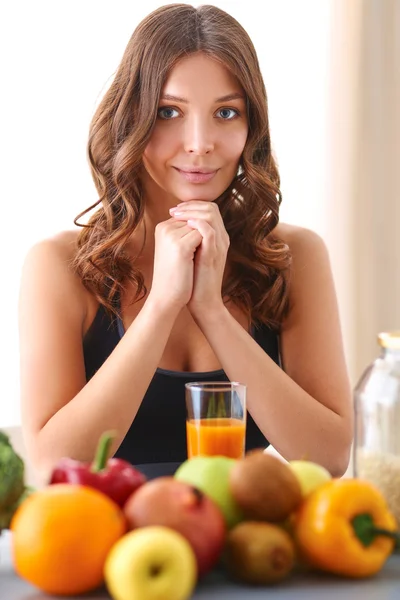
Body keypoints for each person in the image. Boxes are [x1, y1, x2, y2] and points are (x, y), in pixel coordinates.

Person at [18, 3, 353, 483]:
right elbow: (53, 466)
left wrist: (212, 311)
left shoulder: (295, 257)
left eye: (226, 112)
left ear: (250, 126)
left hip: (245, 549)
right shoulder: (59, 266)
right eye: (168, 112)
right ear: (130, 118)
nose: (199, 142)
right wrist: (161, 306)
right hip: (106, 549)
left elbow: (328, 458)